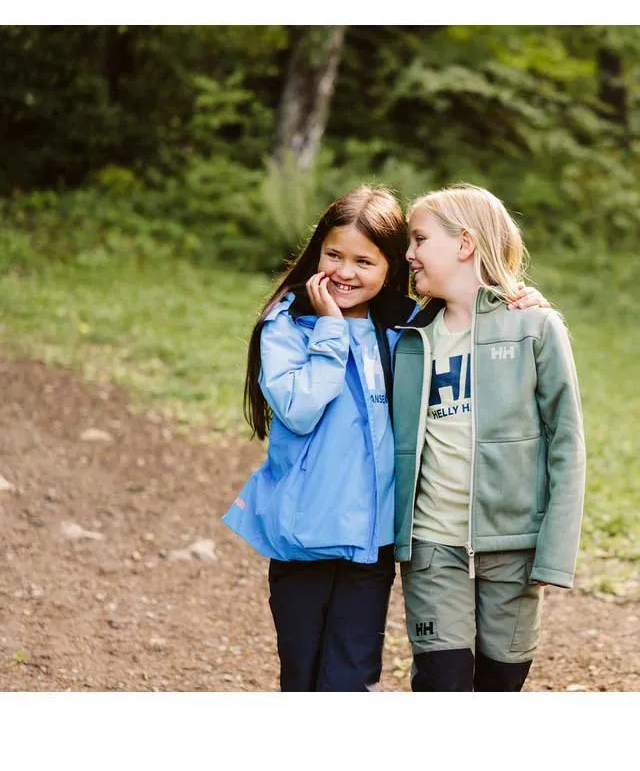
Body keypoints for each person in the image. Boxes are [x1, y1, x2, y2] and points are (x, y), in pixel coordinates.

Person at [222, 185, 546, 692]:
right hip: (302, 542)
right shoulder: (286, 326)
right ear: (317, 252)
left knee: (352, 679)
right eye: (334, 255)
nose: (345, 272)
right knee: (301, 676)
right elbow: (300, 410)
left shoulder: (406, 329)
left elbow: (468, 320)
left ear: (391, 266)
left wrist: (517, 302)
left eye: (364, 261)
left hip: (371, 546)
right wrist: (331, 331)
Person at [393, 183, 586, 692]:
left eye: (419, 239)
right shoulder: (409, 335)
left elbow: (567, 444)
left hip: (513, 548)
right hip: (432, 543)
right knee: (443, 682)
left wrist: (555, 552)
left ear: (465, 243)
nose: (408, 253)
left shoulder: (535, 327)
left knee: (501, 683)